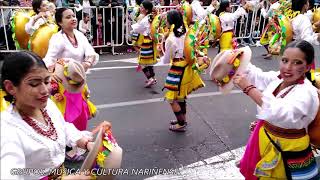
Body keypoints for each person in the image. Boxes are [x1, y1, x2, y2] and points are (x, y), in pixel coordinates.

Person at [0, 51, 94, 179]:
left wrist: (83, 141)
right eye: (34, 83)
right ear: (10, 87)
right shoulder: (7, 129)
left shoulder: (47, 105)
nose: (45, 90)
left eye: (47, 81)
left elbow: (62, 126)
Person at [236, 40, 319, 179]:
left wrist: (249, 88)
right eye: (285, 60)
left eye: (297, 62)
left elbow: (282, 113)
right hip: (267, 140)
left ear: (307, 67)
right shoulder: (279, 79)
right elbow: (258, 77)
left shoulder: (307, 92)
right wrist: (239, 60)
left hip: (288, 149)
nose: (288, 67)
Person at [161, 10, 205, 132]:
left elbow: (165, 60)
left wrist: (162, 53)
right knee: (181, 97)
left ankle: (181, 124)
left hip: (178, 69)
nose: (166, 22)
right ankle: (182, 119)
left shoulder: (170, 38)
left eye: (167, 20)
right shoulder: (186, 32)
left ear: (170, 22)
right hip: (187, 67)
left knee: (171, 99)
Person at [43, 7, 99, 72]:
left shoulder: (79, 35)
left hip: (80, 77)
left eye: (74, 16)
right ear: (60, 22)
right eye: (68, 17)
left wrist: (88, 62)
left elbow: (90, 52)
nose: (73, 19)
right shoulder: (57, 38)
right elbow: (50, 58)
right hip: (63, 79)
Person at [131, 0, 157, 88]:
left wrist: (132, 28)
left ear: (146, 10)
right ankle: (153, 77)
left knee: (142, 62)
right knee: (149, 62)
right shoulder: (151, 17)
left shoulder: (145, 19)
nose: (140, 8)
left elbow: (138, 28)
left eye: (142, 7)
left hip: (146, 42)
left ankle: (150, 78)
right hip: (151, 41)